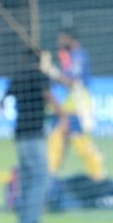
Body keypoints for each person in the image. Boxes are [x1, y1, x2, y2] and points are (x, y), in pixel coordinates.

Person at [0, 51, 62, 223]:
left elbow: (3, 100)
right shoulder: (39, 75)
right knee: (40, 178)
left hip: (20, 134)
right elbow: (49, 95)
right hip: (35, 133)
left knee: (27, 179)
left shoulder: (16, 76)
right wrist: (63, 115)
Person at [43, 28, 106, 181]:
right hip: (68, 104)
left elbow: (72, 82)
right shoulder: (68, 56)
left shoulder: (79, 56)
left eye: (62, 39)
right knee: (56, 140)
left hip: (78, 104)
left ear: (70, 39)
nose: (59, 43)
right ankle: (49, 176)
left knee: (81, 143)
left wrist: (52, 72)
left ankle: (98, 176)